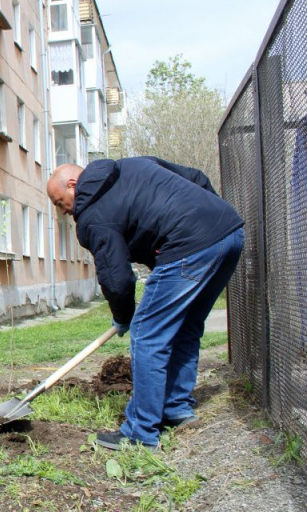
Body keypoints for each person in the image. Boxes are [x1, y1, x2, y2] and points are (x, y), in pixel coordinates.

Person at [46, 157, 244, 451]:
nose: (62, 211)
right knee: (187, 326)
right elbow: (197, 177)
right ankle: (176, 408)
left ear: (73, 186)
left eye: (59, 202)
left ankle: (140, 432)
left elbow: (117, 279)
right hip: (228, 233)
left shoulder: (92, 216)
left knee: (147, 334)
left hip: (189, 245)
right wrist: (209, 223)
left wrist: (124, 316)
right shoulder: (132, 165)